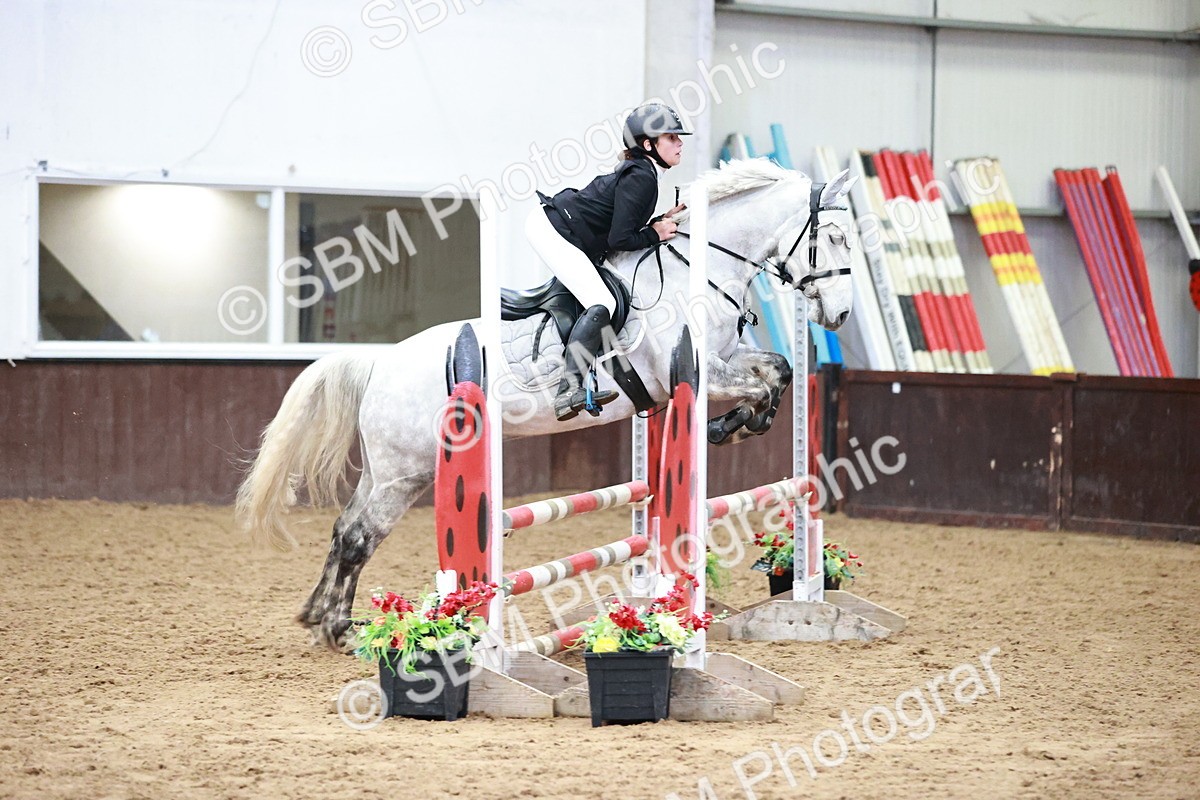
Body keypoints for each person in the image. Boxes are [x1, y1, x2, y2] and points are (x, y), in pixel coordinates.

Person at [526, 102, 691, 421]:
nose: (680, 142)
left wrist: (658, 222)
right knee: (602, 301)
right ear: (648, 145)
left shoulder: (644, 173)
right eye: (671, 137)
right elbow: (619, 241)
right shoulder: (642, 176)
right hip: (551, 228)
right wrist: (655, 234)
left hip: (562, 228)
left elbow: (623, 228)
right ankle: (568, 390)